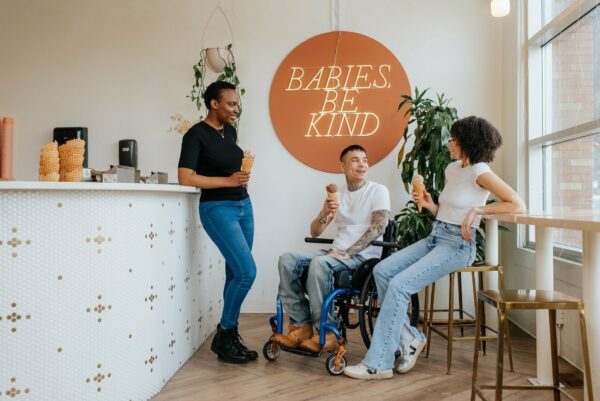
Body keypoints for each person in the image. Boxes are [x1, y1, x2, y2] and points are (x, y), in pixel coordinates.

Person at [344, 116, 526, 380]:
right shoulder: (452, 169)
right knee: (383, 271)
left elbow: (517, 203)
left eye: (454, 138)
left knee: (399, 285)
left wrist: (478, 210)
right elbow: (448, 211)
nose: (449, 142)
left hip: (458, 245)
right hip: (437, 235)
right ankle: (411, 338)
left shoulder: (480, 171)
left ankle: (379, 364)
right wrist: (430, 205)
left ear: (468, 142)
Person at [274, 144, 391, 353]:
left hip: (363, 258)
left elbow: (379, 227)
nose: (362, 164)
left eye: (364, 160)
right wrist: (325, 211)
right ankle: (301, 324)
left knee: (320, 263)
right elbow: (315, 232)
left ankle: (327, 333)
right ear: (342, 166)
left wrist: (348, 252)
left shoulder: (377, 190)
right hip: (335, 254)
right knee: (287, 259)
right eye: (355, 160)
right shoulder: (338, 194)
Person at [178, 81, 258, 364]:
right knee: (247, 272)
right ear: (214, 103)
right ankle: (224, 333)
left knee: (235, 274)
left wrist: (241, 173)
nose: (236, 108)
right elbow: (186, 177)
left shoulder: (230, 132)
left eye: (237, 104)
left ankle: (229, 338)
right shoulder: (195, 135)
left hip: (243, 205)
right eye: (231, 104)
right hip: (217, 208)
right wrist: (227, 180)